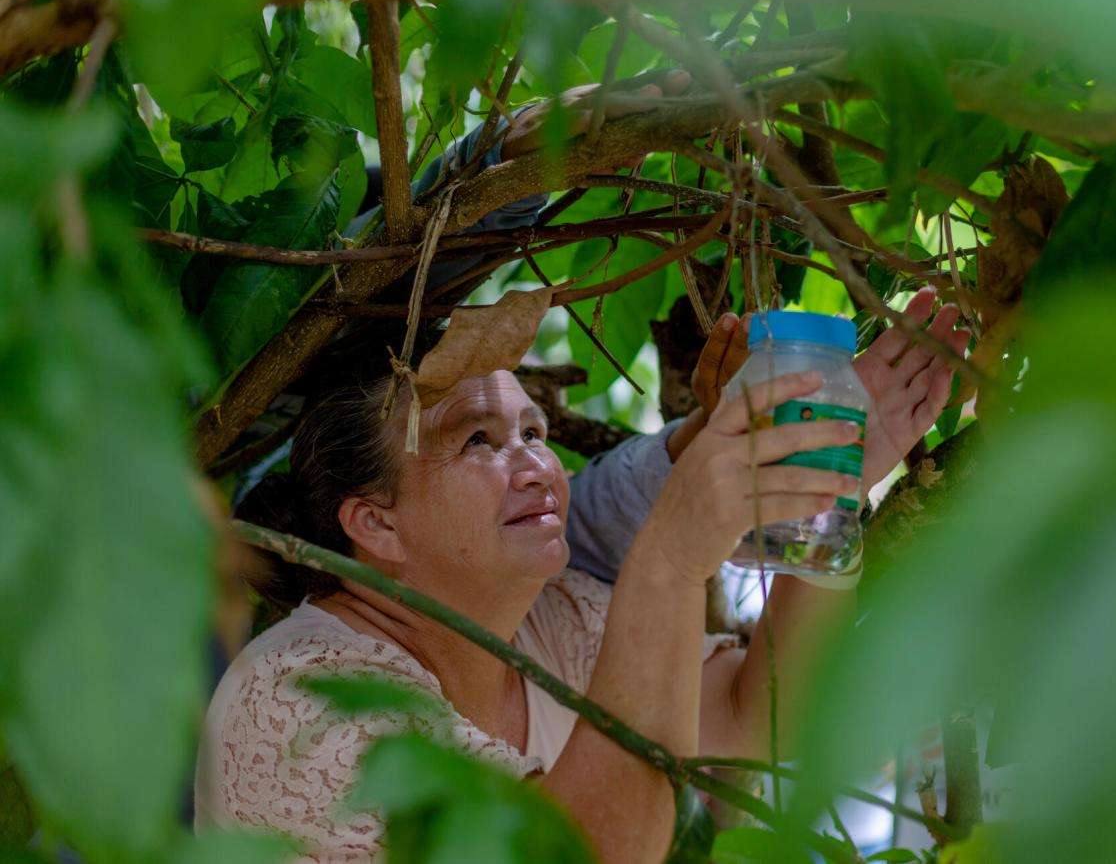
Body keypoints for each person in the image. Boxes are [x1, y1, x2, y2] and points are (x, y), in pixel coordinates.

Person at [194, 282, 966, 862]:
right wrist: (667, 558)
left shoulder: (550, 621)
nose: (536, 463)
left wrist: (831, 501)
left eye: (534, 428)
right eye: (478, 441)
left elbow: (758, 711)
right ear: (375, 522)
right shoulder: (299, 694)